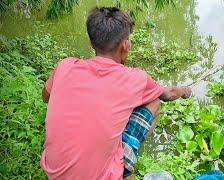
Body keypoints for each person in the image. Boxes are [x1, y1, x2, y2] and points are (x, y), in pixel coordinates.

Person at [40, 6, 192, 180]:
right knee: (154, 101)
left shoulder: (65, 66)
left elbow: (46, 97)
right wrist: (185, 91)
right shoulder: (134, 78)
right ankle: (125, 170)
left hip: (53, 172)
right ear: (126, 45)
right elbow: (169, 93)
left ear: (92, 43)